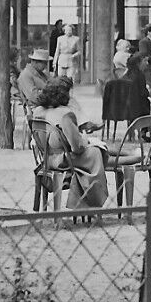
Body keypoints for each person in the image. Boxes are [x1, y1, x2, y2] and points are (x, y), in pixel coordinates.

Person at [31, 77, 115, 209]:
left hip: (46, 158)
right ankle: (137, 157)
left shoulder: (38, 111)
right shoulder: (66, 114)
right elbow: (77, 148)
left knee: (97, 150)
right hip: (64, 160)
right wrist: (83, 139)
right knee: (96, 151)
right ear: (64, 94)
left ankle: (136, 156)